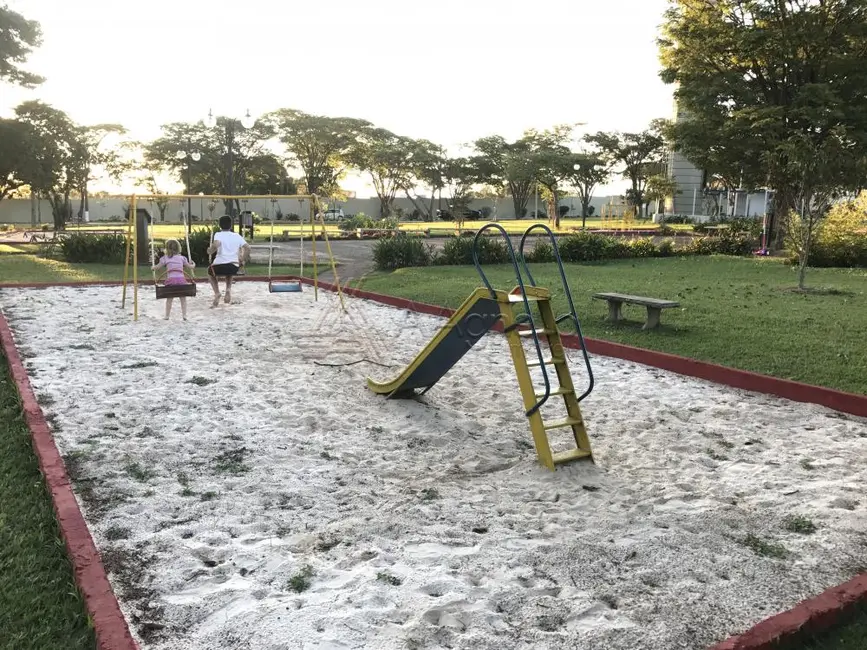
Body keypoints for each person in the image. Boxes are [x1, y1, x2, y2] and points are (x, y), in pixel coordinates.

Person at [208, 215, 250, 308]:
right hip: (233, 266)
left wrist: (210, 250)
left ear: (220, 225)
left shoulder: (218, 234)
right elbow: (247, 248)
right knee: (229, 272)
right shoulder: (237, 236)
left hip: (218, 267)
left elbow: (216, 244)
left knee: (210, 274)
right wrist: (242, 259)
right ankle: (228, 289)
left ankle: (217, 293)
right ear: (231, 225)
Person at [152, 238, 195, 321]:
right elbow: (190, 267)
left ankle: (167, 316)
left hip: (171, 281)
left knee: (169, 299)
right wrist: (193, 264)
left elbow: (157, 267)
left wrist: (153, 268)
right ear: (178, 248)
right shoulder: (182, 258)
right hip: (181, 281)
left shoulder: (165, 258)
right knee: (183, 299)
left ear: (167, 249)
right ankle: (184, 315)